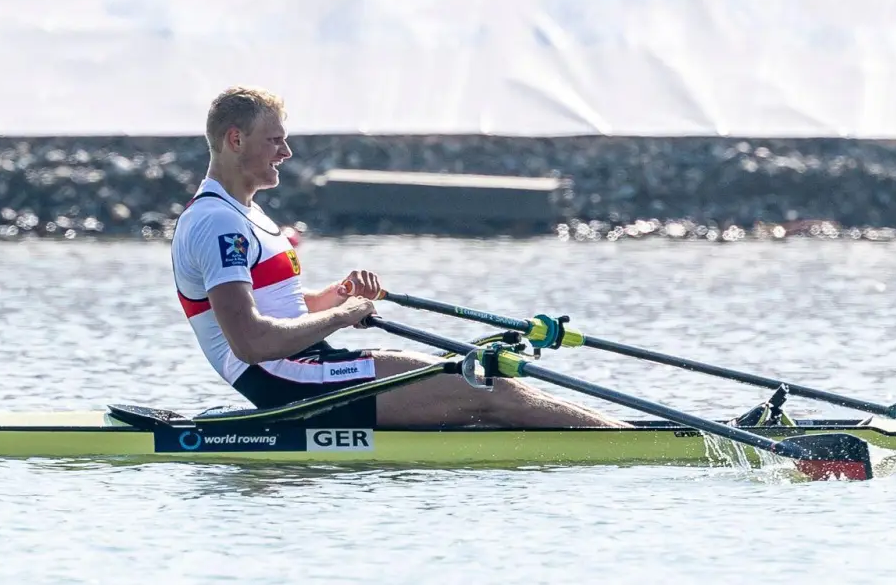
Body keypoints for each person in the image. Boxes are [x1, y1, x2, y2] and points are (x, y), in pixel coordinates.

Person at [169, 86, 626, 428]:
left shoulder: (243, 214)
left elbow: (280, 309)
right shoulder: (217, 223)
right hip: (285, 381)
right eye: (275, 141)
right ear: (235, 140)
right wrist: (342, 317)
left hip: (305, 365)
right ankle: (638, 446)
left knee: (481, 381)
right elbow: (250, 342)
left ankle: (622, 434)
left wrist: (333, 298)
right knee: (484, 384)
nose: (286, 153)